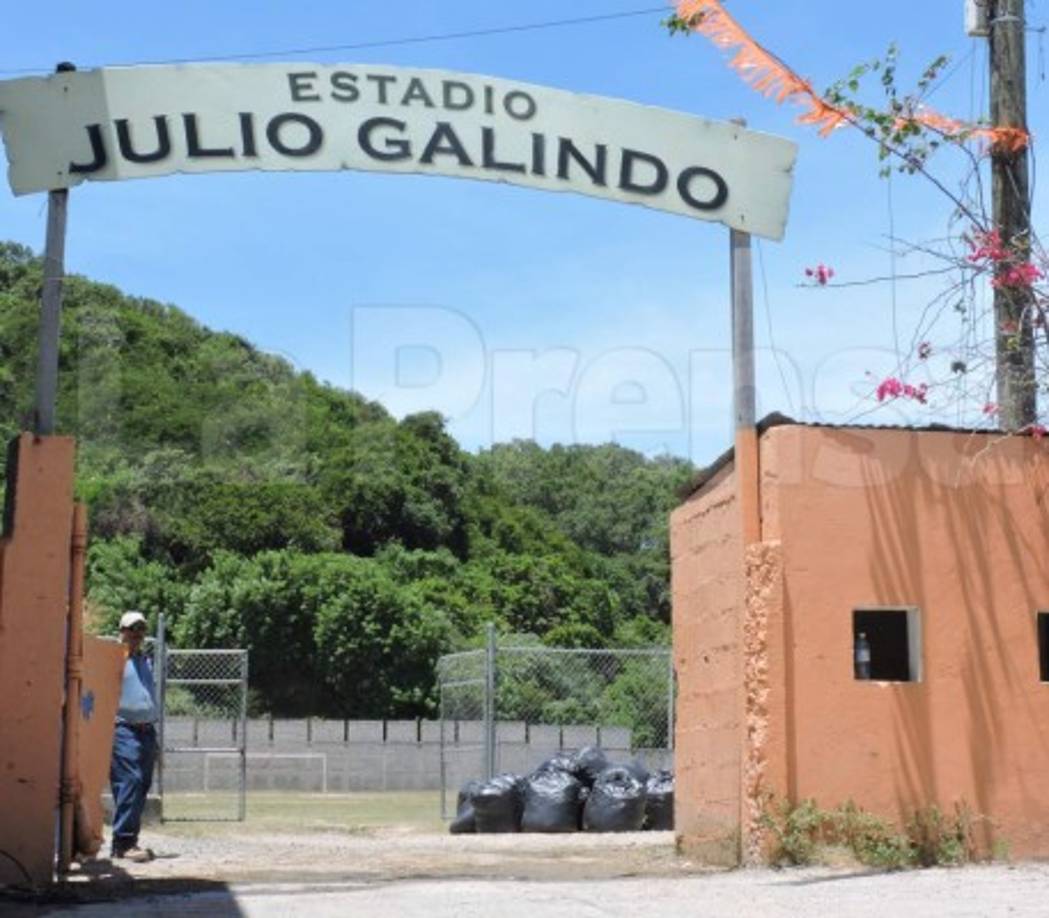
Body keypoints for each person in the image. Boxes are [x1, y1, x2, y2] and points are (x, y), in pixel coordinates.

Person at [109, 611, 158, 863]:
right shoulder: (114, 659)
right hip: (123, 729)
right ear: (122, 631)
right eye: (131, 629)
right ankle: (123, 842)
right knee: (131, 780)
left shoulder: (145, 660)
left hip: (147, 730)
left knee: (141, 785)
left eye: (140, 629)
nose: (136, 633)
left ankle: (130, 841)